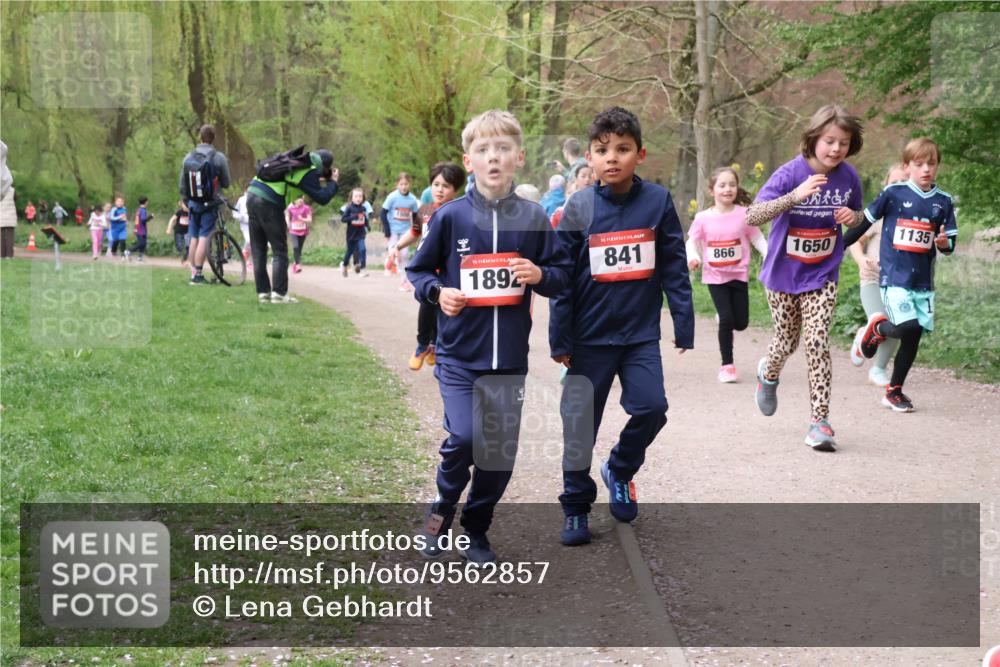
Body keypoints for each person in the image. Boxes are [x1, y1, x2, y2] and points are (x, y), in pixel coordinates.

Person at [406, 109, 571, 564]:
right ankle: (440, 513)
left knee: (498, 457)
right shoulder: (450, 217)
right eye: (483, 150)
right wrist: (439, 293)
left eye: (502, 149)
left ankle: (476, 529)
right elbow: (418, 271)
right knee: (464, 437)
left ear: (518, 158)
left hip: (509, 360)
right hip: (459, 356)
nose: (493, 158)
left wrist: (539, 273)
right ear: (469, 159)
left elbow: (561, 278)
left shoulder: (535, 218)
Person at [549, 107, 694, 546]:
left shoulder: (657, 201)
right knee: (578, 426)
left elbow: (673, 264)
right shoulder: (578, 206)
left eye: (622, 149)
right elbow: (561, 275)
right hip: (588, 339)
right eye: (601, 150)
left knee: (652, 407)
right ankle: (576, 507)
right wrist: (561, 338)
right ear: (589, 159)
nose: (612, 158)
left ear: (640, 154)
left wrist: (683, 323)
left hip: (638, 337)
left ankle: (620, 469)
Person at [747, 104, 864, 452]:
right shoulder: (789, 173)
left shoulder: (849, 177)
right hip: (782, 272)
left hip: (822, 273)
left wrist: (852, 217)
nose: (835, 149)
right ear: (813, 139)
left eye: (843, 143)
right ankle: (768, 374)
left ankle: (820, 422)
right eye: (829, 141)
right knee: (787, 341)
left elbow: (859, 216)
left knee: (816, 340)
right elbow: (753, 215)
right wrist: (794, 197)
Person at [846, 138, 957, 413]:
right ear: (907, 167)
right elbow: (865, 222)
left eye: (931, 164)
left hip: (923, 281)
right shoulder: (893, 194)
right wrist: (837, 244)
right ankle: (877, 328)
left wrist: (943, 243)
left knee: (914, 333)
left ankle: (894, 391)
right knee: (907, 326)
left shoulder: (943, 201)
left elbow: (950, 245)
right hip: (894, 277)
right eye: (919, 164)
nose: (926, 169)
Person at [685, 166, 768, 383]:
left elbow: (757, 238)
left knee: (740, 323)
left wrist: (769, 255)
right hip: (715, 276)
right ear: (712, 190)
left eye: (732, 184)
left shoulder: (744, 214)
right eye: (722, 185)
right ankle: (727, 366)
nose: (728, 189)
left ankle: (725, 317)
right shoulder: (703, 218)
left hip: (739, 274)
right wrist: (693, 257)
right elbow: (691, 241)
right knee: (727, 319)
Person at [388, 162, 464, 370]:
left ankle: (438, 347)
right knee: (427, 307)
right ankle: (423, 345)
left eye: (446, 186)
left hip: (450, 272)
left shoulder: (459, 212)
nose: (440, 189)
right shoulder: (424, 210)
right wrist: (398, 245)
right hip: (429, 272)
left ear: (455, 189)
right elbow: (414, 232)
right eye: (436, 184)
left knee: (446, 311)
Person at [247, 147, 338, 303]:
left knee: (258, 249)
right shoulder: (308, 171)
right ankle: (279, 294)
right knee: (279, 250)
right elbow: (322, 198)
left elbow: (296, 183)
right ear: (325, 167)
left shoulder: (295, 162)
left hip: (251, 195)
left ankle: (263, 292)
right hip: (268, 202)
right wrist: (334, 183)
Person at [845, 164, 908, 386]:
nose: (899, 187)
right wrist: (861, 260)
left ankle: (878, 369)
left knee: (897, 326)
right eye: (894, 182)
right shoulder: (877, 214)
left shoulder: (917, 217)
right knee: (881, 320)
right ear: (886, 185)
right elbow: (854, 241)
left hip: (899, 283)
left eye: (904, 182)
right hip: (873, 277)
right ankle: (865, 333)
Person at [179, 124, 232, 285]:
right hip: (210, 203)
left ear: (200, 137)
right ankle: (198, 275)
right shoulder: (218, 157)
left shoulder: (188, 156)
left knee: (193, 236)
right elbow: (226, 182)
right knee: (204, 237)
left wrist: (186, 200)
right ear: (213, 138)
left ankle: (194, 273)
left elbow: (182, 184)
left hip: (193, 203)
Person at [381, 172, 420, 289]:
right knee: (393, 252)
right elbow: (383, 213)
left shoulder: (412, 200)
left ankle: (404, 281)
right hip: (392, 229)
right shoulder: (392, 197)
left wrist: (415, 232)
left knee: (404, 255)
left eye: (406, 184)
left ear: (409, 185)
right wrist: (386, 230)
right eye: (401, 184)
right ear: (397, 184)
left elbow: (415, 216)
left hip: (405, 231)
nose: (404, 186)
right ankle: (389, 261)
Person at [340, 187, 373, 277]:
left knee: (363, 249)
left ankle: (363, 269)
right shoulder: (349, 208)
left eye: (360, 196)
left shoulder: (363, 208)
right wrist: (353, 217)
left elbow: (364, 218)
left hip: (361, 233)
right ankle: (344, 265)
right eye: (356, 196)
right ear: (352, 198)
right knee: (349, 252)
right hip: (351, 234)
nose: (358, 198)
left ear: (363, 198)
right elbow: (343, 219)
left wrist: (367, 225)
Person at [285, 196, 313, 274]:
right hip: (293, 230)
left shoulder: (306, 208)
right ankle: (298, 264)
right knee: (295, 246)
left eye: (301, 198)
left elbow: (310, 220)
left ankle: (295, 263)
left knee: (299, 249)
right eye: (298, 198)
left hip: (303, 231)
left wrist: (302, 219)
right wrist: (288, 224)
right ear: (295, 200)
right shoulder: (291, 208)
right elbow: (287, 216)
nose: (300, 200)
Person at [125, 196, 152, 262]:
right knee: (141, 243)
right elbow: (143, 220)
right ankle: (128, 251)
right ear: (146, 202)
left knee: (144, 243)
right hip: (141, 229)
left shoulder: (139, 209)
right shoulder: (142, 210)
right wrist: (150, 217)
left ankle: (140, 257)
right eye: (147, 201)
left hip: (139, 228)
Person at [0, 141, 15, 258]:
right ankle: (8, 255)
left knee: (2, 238)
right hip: (8, 217)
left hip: (3, 216)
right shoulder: (11, 189)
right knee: (8, 237)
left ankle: (2, 255)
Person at [233, 187, 251, 268]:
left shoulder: (257, 198)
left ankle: (250, 261)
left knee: (255, 242)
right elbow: (234, 212)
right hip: (245, 224)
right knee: (248, 240)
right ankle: (245, 253)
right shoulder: (241, 200)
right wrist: (241, 217)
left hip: (255, 223)